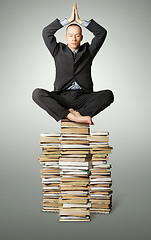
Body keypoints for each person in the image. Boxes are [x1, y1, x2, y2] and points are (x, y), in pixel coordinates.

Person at [32, 3, 114, 125]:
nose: (74, 38)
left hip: (84, 97)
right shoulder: (57, 50)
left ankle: (72, 114)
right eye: (70, 36)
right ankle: (73, 116)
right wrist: (68, 21)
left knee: (108, 95)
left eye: (77, 36)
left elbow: (101, 33)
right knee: (37, 94)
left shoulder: (88, 51)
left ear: (81, 37)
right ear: (66, 37)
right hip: (62, 97)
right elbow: (46, 32)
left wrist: (80, 22)